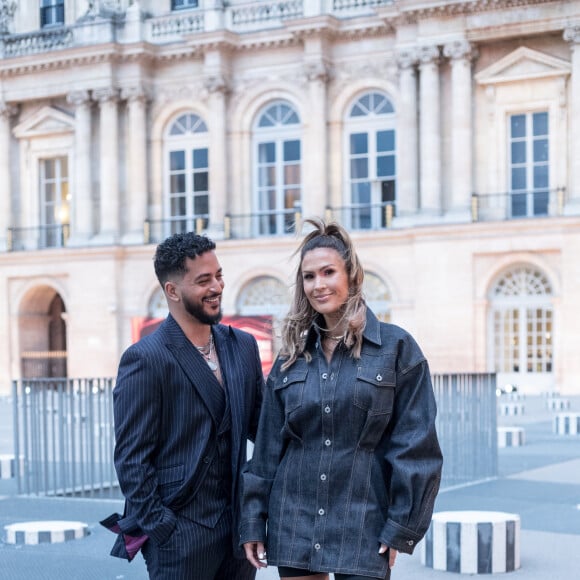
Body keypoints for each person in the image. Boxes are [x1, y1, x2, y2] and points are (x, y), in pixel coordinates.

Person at [240, 218, 443, 580]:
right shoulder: (290, 360)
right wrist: (253, 519)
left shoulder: (396, 349)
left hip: (363, 521)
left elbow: (415, 445)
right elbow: (269, 450)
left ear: (351, 275)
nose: (319, 285)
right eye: (309, 276)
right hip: (294, 520)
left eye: (328, 272)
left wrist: (402, 524)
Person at [111, 231, 263, 580]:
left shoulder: (243, 346)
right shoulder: (145, 358)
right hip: (180, 537)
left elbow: (265, 429)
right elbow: (131, 460)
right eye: (204, 280)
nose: (217, 287)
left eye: (219, 275)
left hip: (238, 532)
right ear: (173, 290)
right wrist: (163, 529)